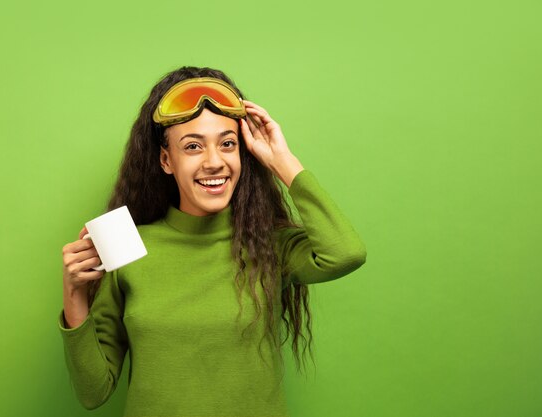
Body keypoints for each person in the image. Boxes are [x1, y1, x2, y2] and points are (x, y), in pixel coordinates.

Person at [59, 66, 367, 417]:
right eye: (193, 146)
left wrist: (282, 161)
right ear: (166, 160)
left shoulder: (267, 243)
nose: (214, 162)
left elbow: (345, 253)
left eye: (227, 144)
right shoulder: (126, 245)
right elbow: (93, 391)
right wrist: (75, 293)